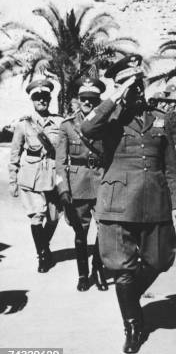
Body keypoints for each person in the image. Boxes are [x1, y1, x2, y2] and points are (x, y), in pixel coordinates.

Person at [81, 55, 176, 354]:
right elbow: (87, 129)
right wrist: (115, 97)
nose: (136, 90)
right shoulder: (109, 118)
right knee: (122, 268)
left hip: (155, 201)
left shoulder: (160, 118)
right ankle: (133, 326)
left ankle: (128, 296)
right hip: (118, 204)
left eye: (138, 84)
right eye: (130, 85)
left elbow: (171, 166)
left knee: (160, 259)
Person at [55, 71, 108, 291]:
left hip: (102, 180)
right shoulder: (67, 125)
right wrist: (63, 189)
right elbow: (59, 161)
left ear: (98, 102)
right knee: (81, 232)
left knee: (104, 230)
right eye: (84, 98)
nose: (87, 102)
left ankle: (98, 268)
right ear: (78, 100)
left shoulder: (105, 123)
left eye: (92, 100)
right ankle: (83, 275)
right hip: (77, 184)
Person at [9, 78, 63, 273]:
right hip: (31, 177)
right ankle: (42, 255)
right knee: (37, 216)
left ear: (50, 99)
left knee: (54, 217)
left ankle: (43, 246)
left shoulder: (59, 122)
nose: (42, 101)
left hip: (53, 176)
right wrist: (13, 180)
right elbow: (14, 154)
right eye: (38, 98)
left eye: (45, 97)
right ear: (32, 100)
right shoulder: (23, 125)